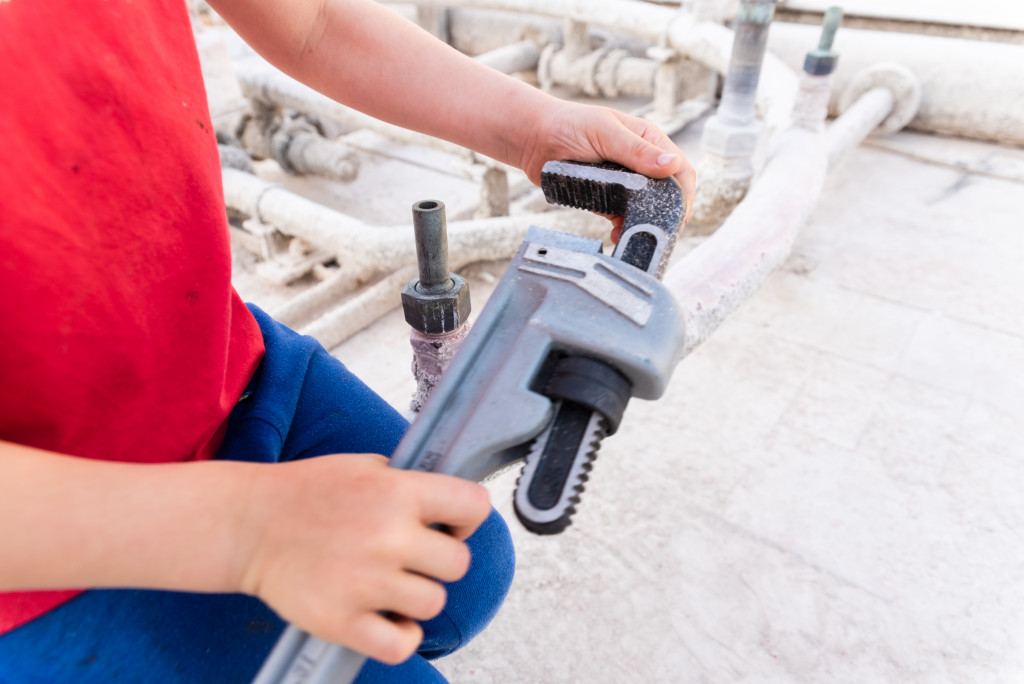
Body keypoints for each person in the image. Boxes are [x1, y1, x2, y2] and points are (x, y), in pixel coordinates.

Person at [0, 0, 695, 681]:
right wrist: (246, 534)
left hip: (208, 361)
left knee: (464, 574)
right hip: (48, 541)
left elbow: (311, 22)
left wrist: (531, 128)